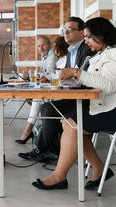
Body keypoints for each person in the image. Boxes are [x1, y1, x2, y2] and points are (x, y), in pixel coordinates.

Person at [32, 16, 116, 190]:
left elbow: (109, 85)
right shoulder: (106, 52)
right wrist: (75, 75)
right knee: (70, 122)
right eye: (86, 37)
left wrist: (77, 73)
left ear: (101, 35)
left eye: (89, 37)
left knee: (72, 124)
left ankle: (60, 176)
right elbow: (98, 80)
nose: (86, 41)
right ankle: (99, 168)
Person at [19, 17, 95, 161]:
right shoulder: (72, 52)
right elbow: (68, 76)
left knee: (47, 107)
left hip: (84, 100)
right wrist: (51, 79)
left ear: (81, 33)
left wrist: (64, 78)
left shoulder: (86, 50)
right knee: (46, 106)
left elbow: (85, 79)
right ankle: (49, 150)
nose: (65, 32)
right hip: (72, 95)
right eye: (64, 29)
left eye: (70, 29)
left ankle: (46, 150)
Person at [16, 36, 57, 144]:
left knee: (37, 98)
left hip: (55, 89)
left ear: (49, 44)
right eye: (39, 46)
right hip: (50, 87)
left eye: (43, 45)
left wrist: (34, 74)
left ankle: (28, 131)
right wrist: (31, 72)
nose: (41, 48)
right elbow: (45, 73)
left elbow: (50, 73)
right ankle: (30, 131)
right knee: (36, 98)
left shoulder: (52, 55)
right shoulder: (45, 56)